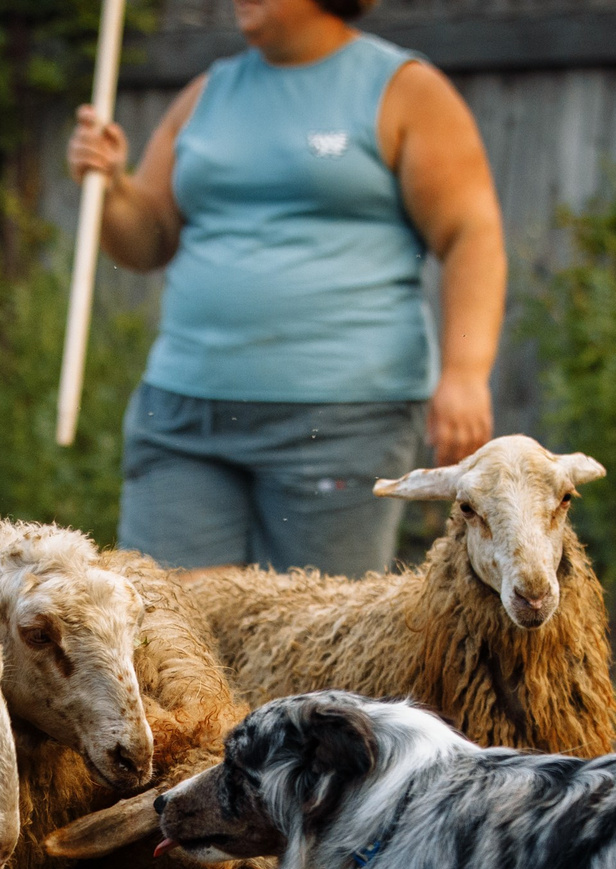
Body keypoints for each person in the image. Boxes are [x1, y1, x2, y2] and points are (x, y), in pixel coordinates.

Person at [69, 0, 503, 575]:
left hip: (341, 421)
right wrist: (112, 186)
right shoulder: (206, 96)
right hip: (184, 417)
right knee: (164, 634)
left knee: (317, 643)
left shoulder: (404, 91)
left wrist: (466, 374)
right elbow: (147, 241)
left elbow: (471, 233)